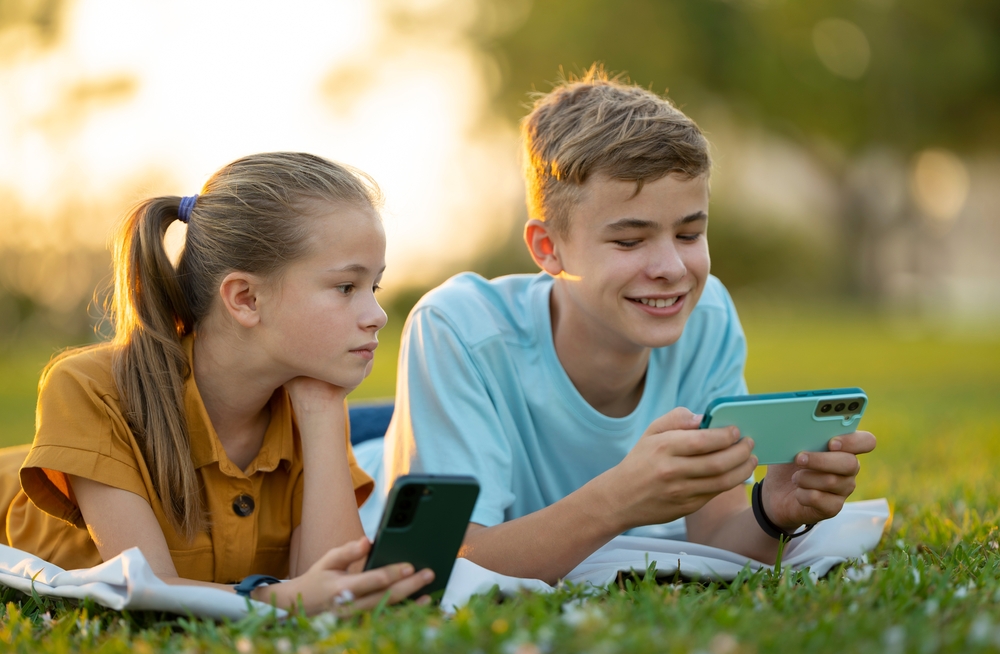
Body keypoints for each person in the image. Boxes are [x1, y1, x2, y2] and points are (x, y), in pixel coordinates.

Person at [382, 67, 877, 584]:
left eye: (689, 234)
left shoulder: (706, 317)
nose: (671, 267)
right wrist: (619, 500)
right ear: (547, 248)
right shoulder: (458, 329)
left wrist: (771, 512)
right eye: (629, 241)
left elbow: (715, 536)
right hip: (402, 451)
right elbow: (435, 566)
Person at [0, 152, 433, 613]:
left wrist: (323, 409)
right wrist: (278, 597)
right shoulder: (92, 388)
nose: (377, 316)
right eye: (347, 288)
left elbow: (336, 590)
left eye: (375, 288)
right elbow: (149, 592)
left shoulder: (310, 397)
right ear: (245, 298)